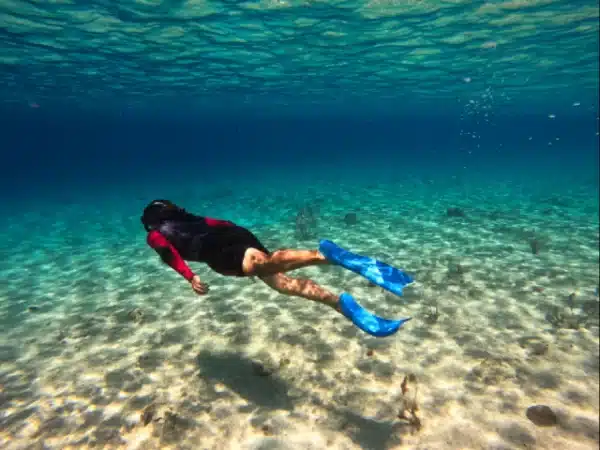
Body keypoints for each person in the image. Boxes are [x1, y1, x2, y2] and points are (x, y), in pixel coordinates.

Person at [141, 199, 341, 312]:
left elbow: (169, 254)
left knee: (272, 269)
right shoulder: (190, 219)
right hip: (237, 234)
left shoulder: (155, 235)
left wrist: (190, 277)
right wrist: (250, 243)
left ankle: (327, 257)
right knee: (279, 280)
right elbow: (222, 224)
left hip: (219, 252)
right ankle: (336, 302)